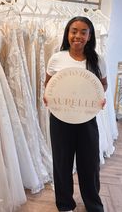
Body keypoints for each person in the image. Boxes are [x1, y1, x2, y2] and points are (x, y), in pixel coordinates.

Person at [44, 16, 107, 212]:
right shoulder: (57, 58)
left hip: (86, 118)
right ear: (67, 34)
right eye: (74, 31)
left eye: (83, 32)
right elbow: (49, 85)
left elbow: (103, 85)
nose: (77, 36)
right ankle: (65, 205)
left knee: (90, 164)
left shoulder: (98, 60)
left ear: (90, 36)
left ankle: (93, 205)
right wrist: (48, 97)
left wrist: (100, 98)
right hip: (60, 119)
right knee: (62, 163)